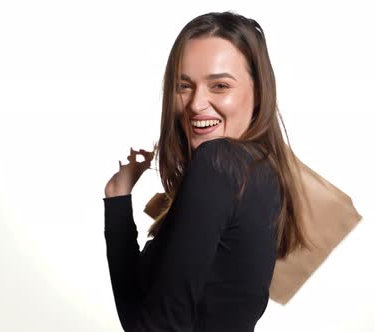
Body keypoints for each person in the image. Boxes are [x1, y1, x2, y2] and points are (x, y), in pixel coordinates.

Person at [103, 11, 311, 331]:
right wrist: (118, 196)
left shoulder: (219, 162)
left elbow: (157, 327)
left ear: (258, 92)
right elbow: (141, 319)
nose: (197, 103)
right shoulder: (261, 171)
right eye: (184, 86)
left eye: (219, 85)